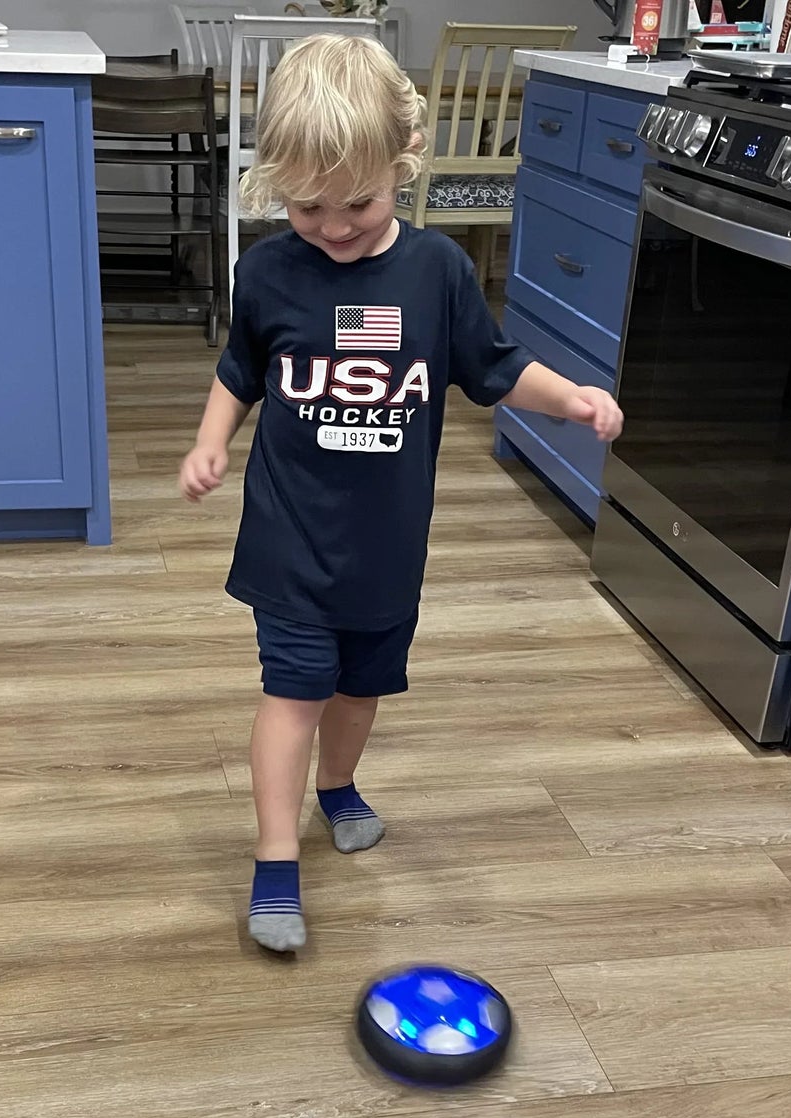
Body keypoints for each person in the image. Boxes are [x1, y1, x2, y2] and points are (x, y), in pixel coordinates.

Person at [178, 34, 623, 953]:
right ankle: (273, 862)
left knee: (359, 691)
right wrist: (209, 442)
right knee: (292, 692)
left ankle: (337, 790)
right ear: (275, 183)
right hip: (290, 543)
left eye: (359, 202)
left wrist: (571, 398)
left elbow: (496, 370)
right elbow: (239, 370)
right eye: (306, 206)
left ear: (403, 167)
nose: (333, 228)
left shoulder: (436, 274)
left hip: (387, 548)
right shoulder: (266, 271)